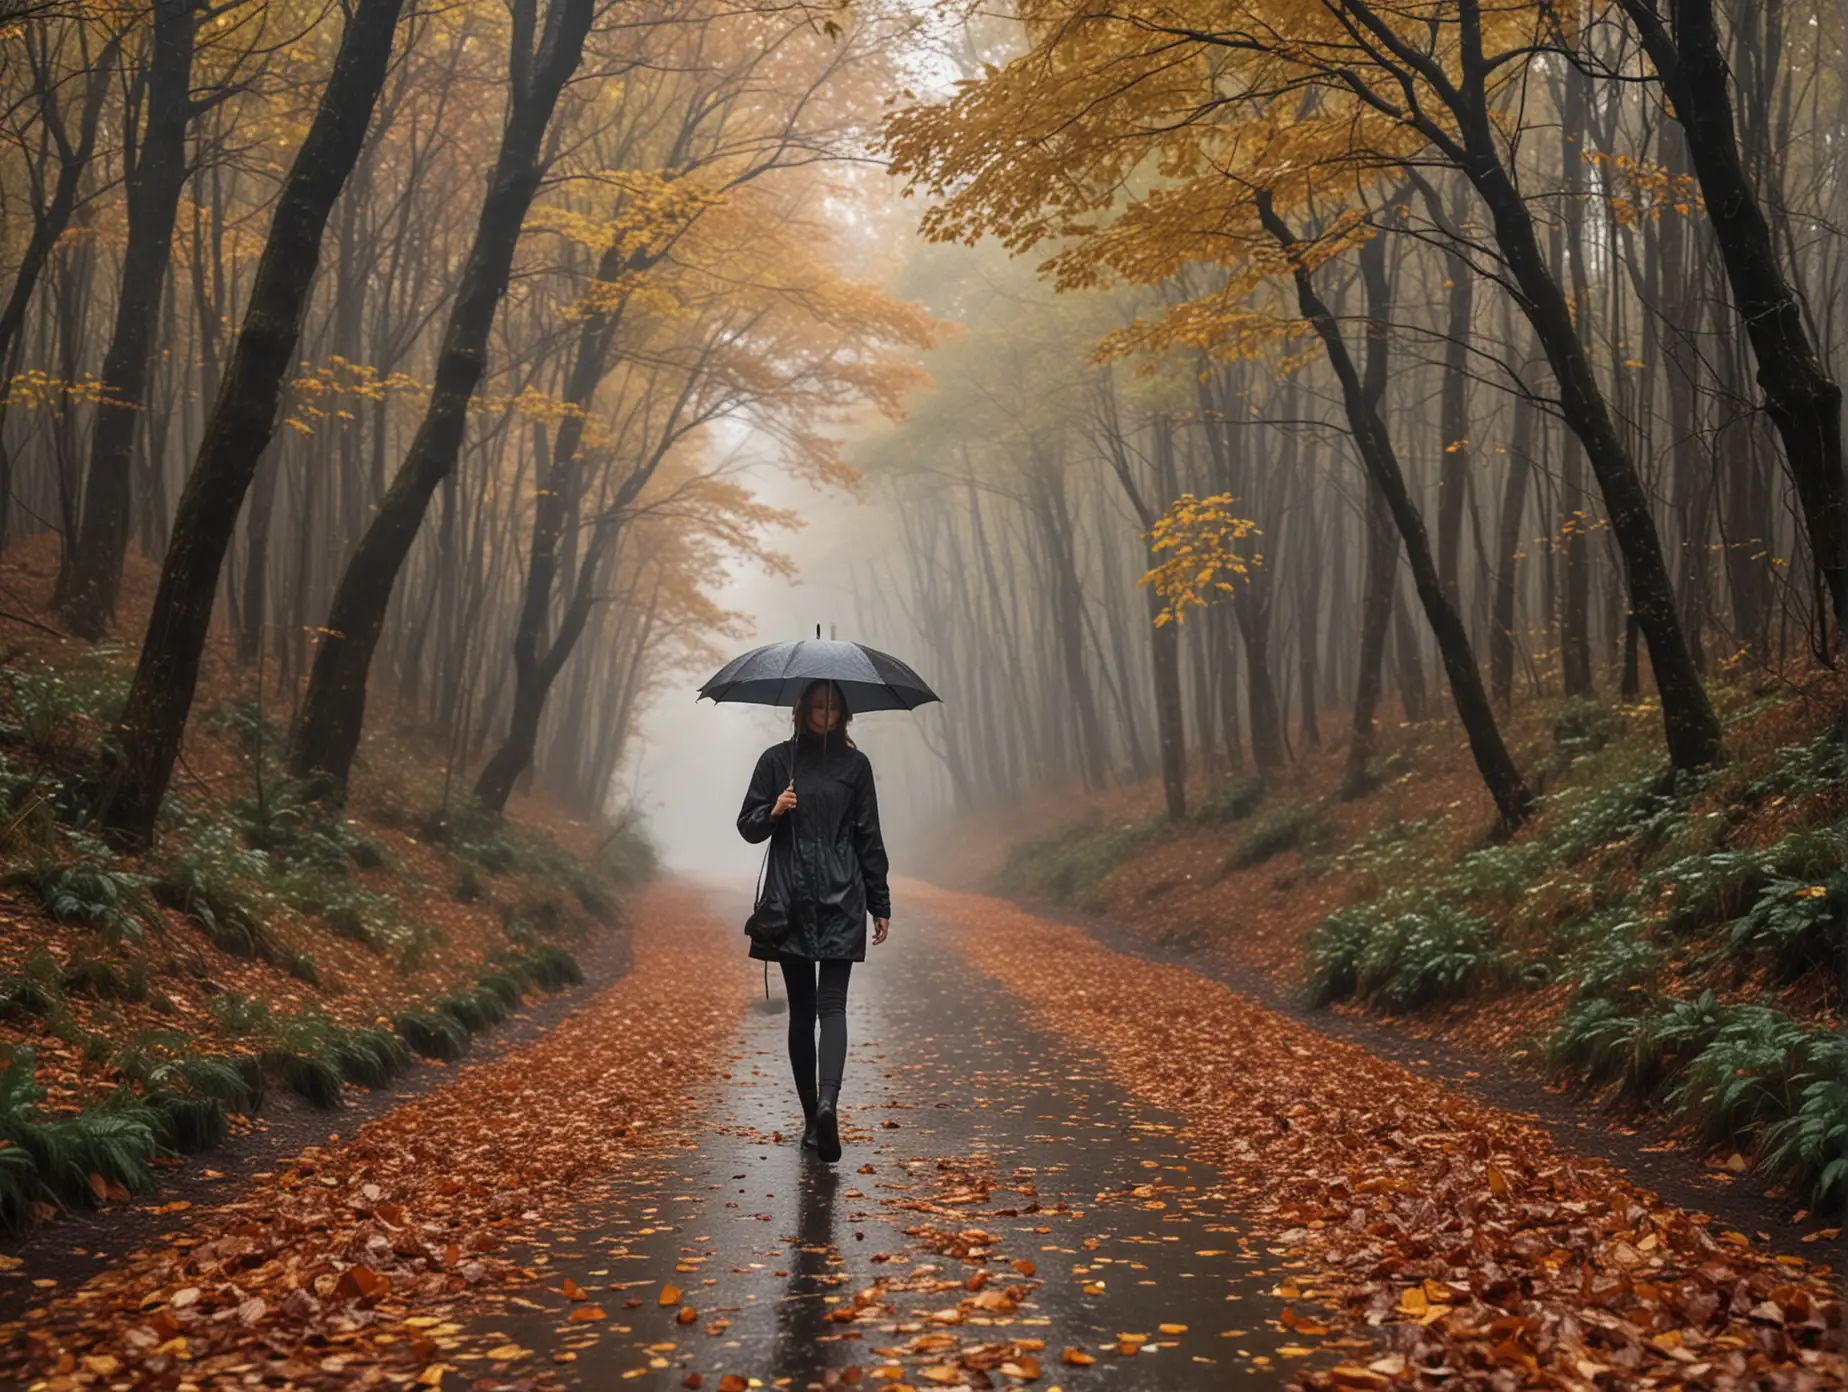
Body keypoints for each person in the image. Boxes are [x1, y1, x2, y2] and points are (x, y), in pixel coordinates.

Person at [737, 680, 890, 1163]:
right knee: (806, 1011)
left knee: (830, 1007)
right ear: (803, 709)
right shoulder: (776, 761)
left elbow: (868, 835)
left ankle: (823, 1109)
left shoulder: (856, 766)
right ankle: (816, 1116)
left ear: (843, 714)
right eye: (818, 705)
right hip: (792, 900)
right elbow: (747, 826)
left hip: (842, 898)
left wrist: (879, 900)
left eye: (833, 707)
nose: (825, 713)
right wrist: (774, 809)